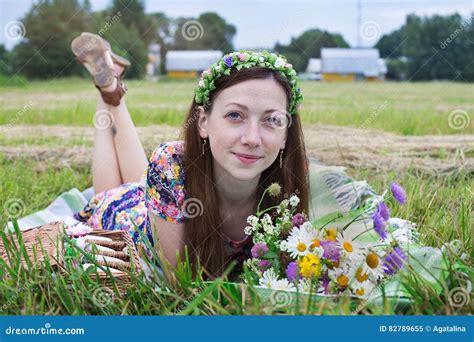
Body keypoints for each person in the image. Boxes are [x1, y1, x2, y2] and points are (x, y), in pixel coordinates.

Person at [71, 33, 309, 279]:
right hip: (127, 216)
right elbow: (181, 285)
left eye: (272, 120)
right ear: (203, 122)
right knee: (112, 192)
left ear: (285, 134)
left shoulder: (291, 173)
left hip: (159, 198)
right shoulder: (170, 164)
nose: (252, 138)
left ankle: (110, 86)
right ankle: (108, 91)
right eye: (235, 115)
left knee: (145, 179)